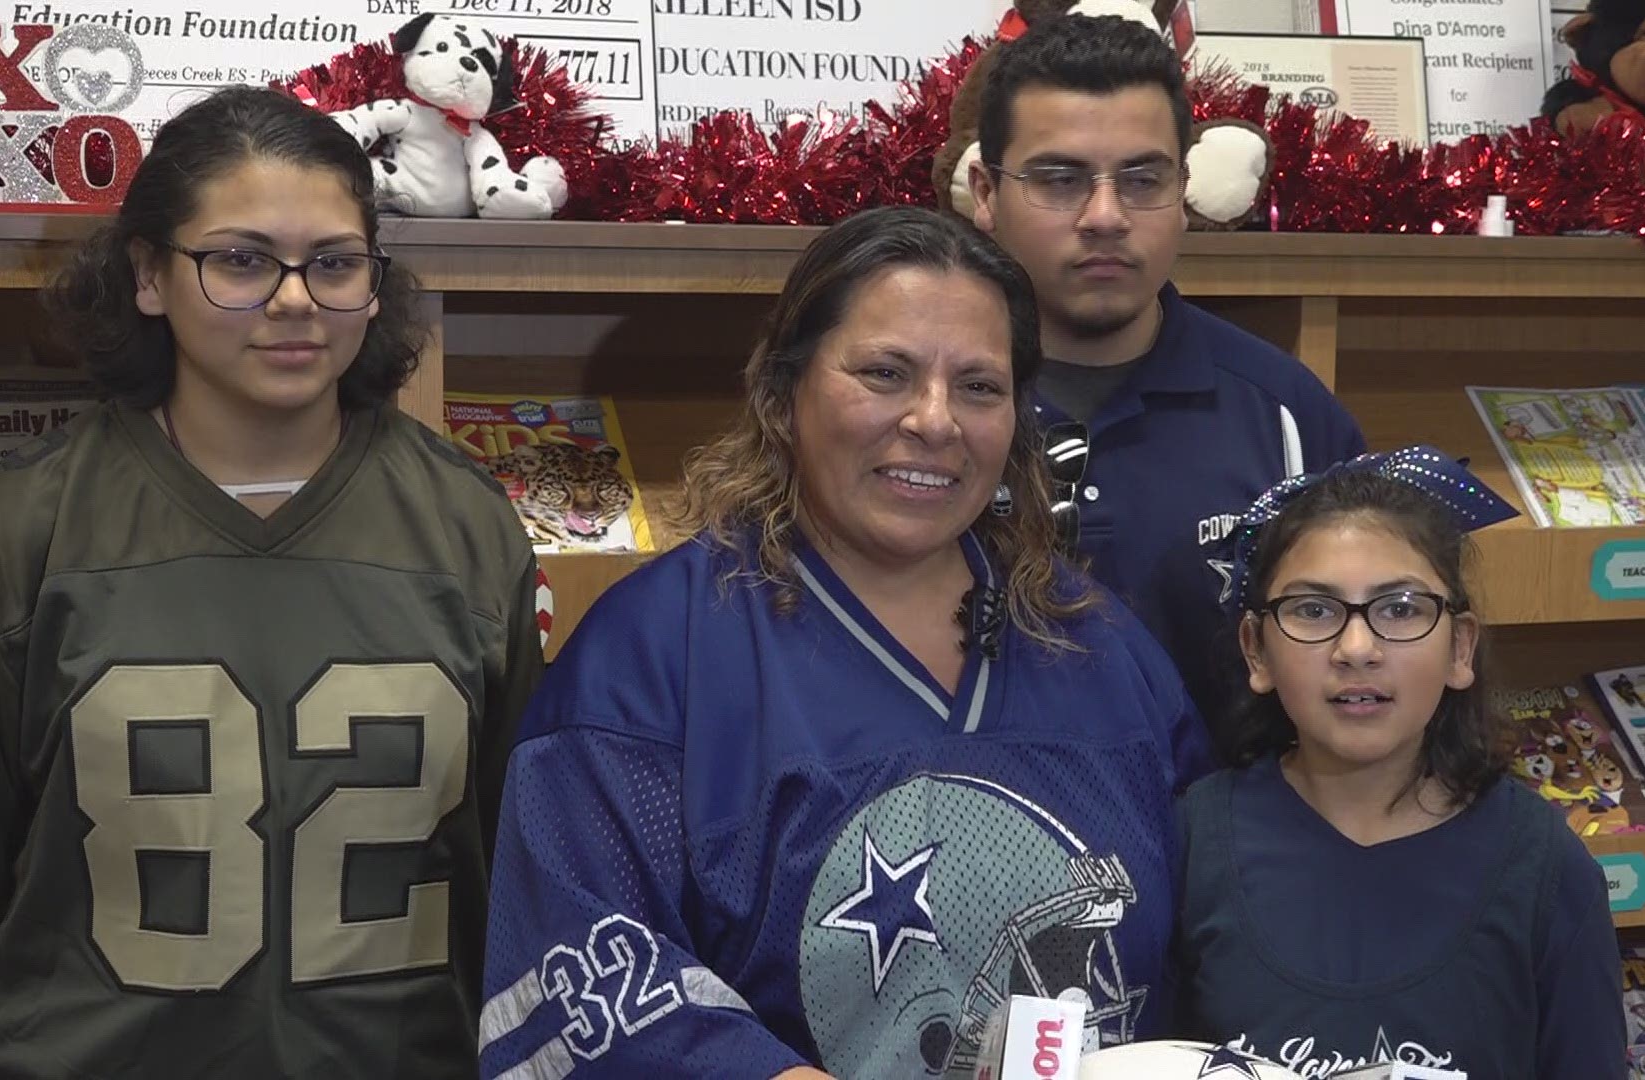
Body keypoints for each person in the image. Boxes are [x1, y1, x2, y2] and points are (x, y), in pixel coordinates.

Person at [477, 205, 1211, 1080]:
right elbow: (583, 979)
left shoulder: (1101, 650)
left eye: (980, 386)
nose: (935, 421)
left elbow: (1209, 947)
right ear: (784, 392)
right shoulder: (654, 658)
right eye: (886, 373)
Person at [0, 86, 543, 1078]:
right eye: (240, 260)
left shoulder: (465, 527)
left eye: (333, 264)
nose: (292, 300)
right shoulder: (29, 533)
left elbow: (522, 873)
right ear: (148, 274)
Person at [1171, 448, 1626, 1079]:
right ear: (1257, 650)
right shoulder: (1194, 842)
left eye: (1401, 608)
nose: (1357, 648)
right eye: (1313, 610)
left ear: (1459, 648)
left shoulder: (1545, 867)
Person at [967, 14, 1366, 731]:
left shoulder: (1287, 416)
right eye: (1059, 179)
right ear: (986, 193)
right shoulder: (926, 415)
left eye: (1142, 179)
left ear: (1183, 190)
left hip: (1224, 839)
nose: (1105, 216)